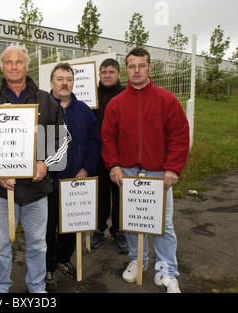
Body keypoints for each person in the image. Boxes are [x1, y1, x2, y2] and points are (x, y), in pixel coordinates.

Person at [0, 45, 70, 293]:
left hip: (36, 190)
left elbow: (63, 139)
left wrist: (44, 163)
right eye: (8, 62)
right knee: (1, 245)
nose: (14, 66)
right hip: (0, 189)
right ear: (2, 67)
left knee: (38, 243)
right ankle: (2, 287)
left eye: (18, 62)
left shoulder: (46, 101)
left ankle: (37, 287)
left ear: (27, 66)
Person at [101, 47, 189, 293]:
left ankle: (167, 272)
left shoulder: (167, 99)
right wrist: (114, 164)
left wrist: (172, 168)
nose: (136, 70)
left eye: (141, 65)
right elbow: (108, 137)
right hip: (128, 172)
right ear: (126, 70)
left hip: (158, 174)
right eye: (132, 66)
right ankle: (138, 260)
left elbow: (179, 135)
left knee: (163, 224)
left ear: (150, 67)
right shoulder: (116, 103)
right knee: (132, 220)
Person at [45, 62, 101, 291]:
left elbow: (94, 142)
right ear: (51, 83)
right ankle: (47, 267)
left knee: (70, 226)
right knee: (47, 228)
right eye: (60, 78)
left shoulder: (84, 110)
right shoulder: (41, 107)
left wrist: (86, 168)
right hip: (47, 183)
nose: (64, 83)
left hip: (75, 181)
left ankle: (63, 258)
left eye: (68, 78)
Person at [91, 58, 128, 253]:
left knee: (120, 194)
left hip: (120, 156)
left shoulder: (124, 95)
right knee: (100, 194)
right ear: (99, 74)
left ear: (119, 74)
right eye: (104, 71)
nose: (107, 75)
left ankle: (119, 231)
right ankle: (98, 228)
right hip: (98, 154)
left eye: (111, 72)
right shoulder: (91, 95)